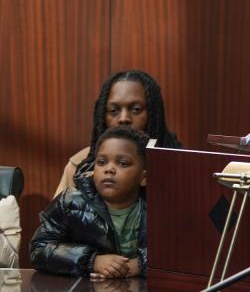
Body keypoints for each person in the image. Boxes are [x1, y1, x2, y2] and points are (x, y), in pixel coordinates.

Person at [31, 126, 149, 278]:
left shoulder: (157, 206)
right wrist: (92, 261)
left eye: (123, 163)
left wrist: (141, 264)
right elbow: (39, 249)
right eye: (101, 162)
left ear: (144, 177)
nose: (109, 169)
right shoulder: (70, 202)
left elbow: (178, 250)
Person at [55, 69, 180, 197]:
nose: (123, 118)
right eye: (114, 110)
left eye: (136, 109)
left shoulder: (178, 163)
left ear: (153, 113)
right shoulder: (80, 165)